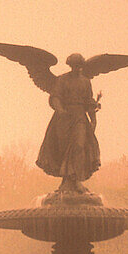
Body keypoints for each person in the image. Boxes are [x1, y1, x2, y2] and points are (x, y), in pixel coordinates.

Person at [35, 53, 102, 192]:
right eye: (74, 66)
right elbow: (55, 97)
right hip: (64, 118)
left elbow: (88, 101)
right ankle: (66, 181)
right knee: (63, 148)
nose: (77, 69)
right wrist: (60, 110)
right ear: (70, 66)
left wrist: (93, 113)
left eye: (79, 66)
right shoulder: (62, 80)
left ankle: (76, 179)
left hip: (79, 117)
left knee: (79, 145)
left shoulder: (85, 81)